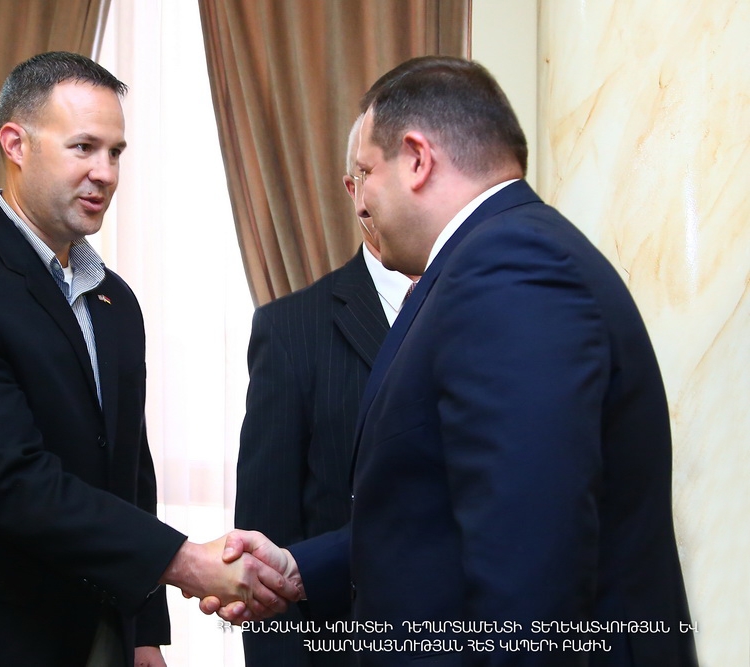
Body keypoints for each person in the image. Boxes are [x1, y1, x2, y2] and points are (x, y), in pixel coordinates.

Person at [211, 56, 698, 666]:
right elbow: (442, 513)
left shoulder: (510, 266)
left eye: (366, 171)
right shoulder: (491, 258)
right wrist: (299, 568)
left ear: (417, 159)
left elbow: (530, 562)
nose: (360, 202)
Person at [0, 51, 297, 667]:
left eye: (116, 152)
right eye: (84, 148)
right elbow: (11, 481)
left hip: (96, 632)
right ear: (16, 144)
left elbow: (129, 473)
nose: (105, 173)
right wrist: (187, 562)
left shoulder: (116, 301)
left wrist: (144, 632)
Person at [235, 114, 414, 667]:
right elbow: (267, 539)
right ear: (353, 190)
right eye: (370, 175)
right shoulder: (290, 329)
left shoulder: (482, 309)